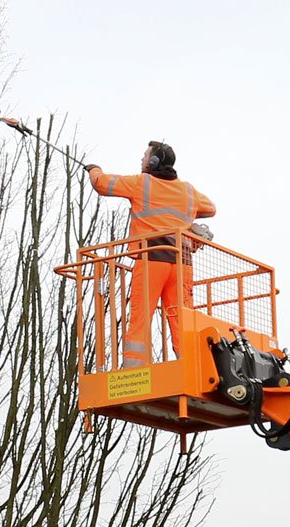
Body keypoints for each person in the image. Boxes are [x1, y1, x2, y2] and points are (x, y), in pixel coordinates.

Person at [86, 141, 216, 366]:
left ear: (153, 162)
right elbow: (211, 209)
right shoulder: (188, 190)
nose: (142, 159)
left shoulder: (141, 184)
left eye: (145, 156)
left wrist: (93, 169)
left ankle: (133, 371)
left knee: (140, 317)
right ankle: (191, 367)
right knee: (181, 319)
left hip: (151, 259)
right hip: (182, 262)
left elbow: (102, 184)